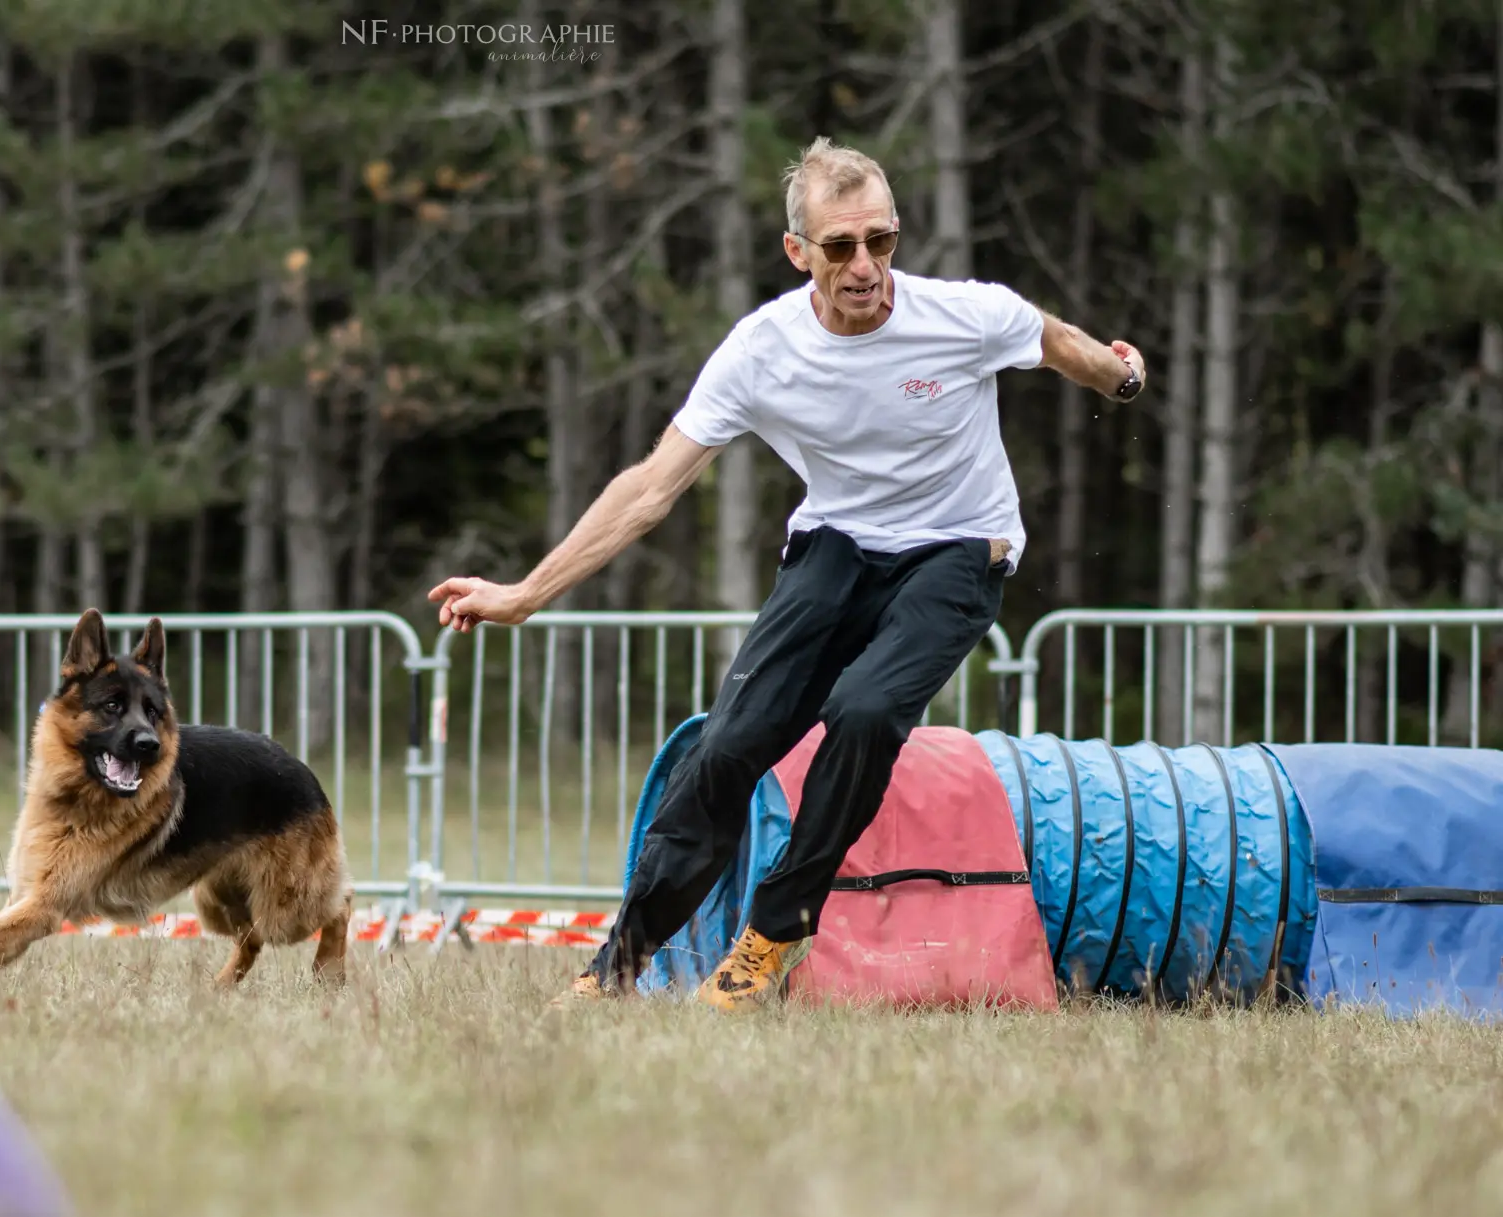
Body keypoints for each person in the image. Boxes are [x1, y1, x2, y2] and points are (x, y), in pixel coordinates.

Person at [426, 137, 1148, 1012]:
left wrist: (1123, 378)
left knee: (865, 711)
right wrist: (527, 594)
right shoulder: (762, 350)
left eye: (879, 241)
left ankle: (774, 930)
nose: (864, 266)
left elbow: (1060, 343)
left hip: (962, 547)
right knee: (728, 746)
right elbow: (651, 487)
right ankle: (617, 965)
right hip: (838, 544)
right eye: (839, 247)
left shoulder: (965, 315)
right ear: (798, 251)